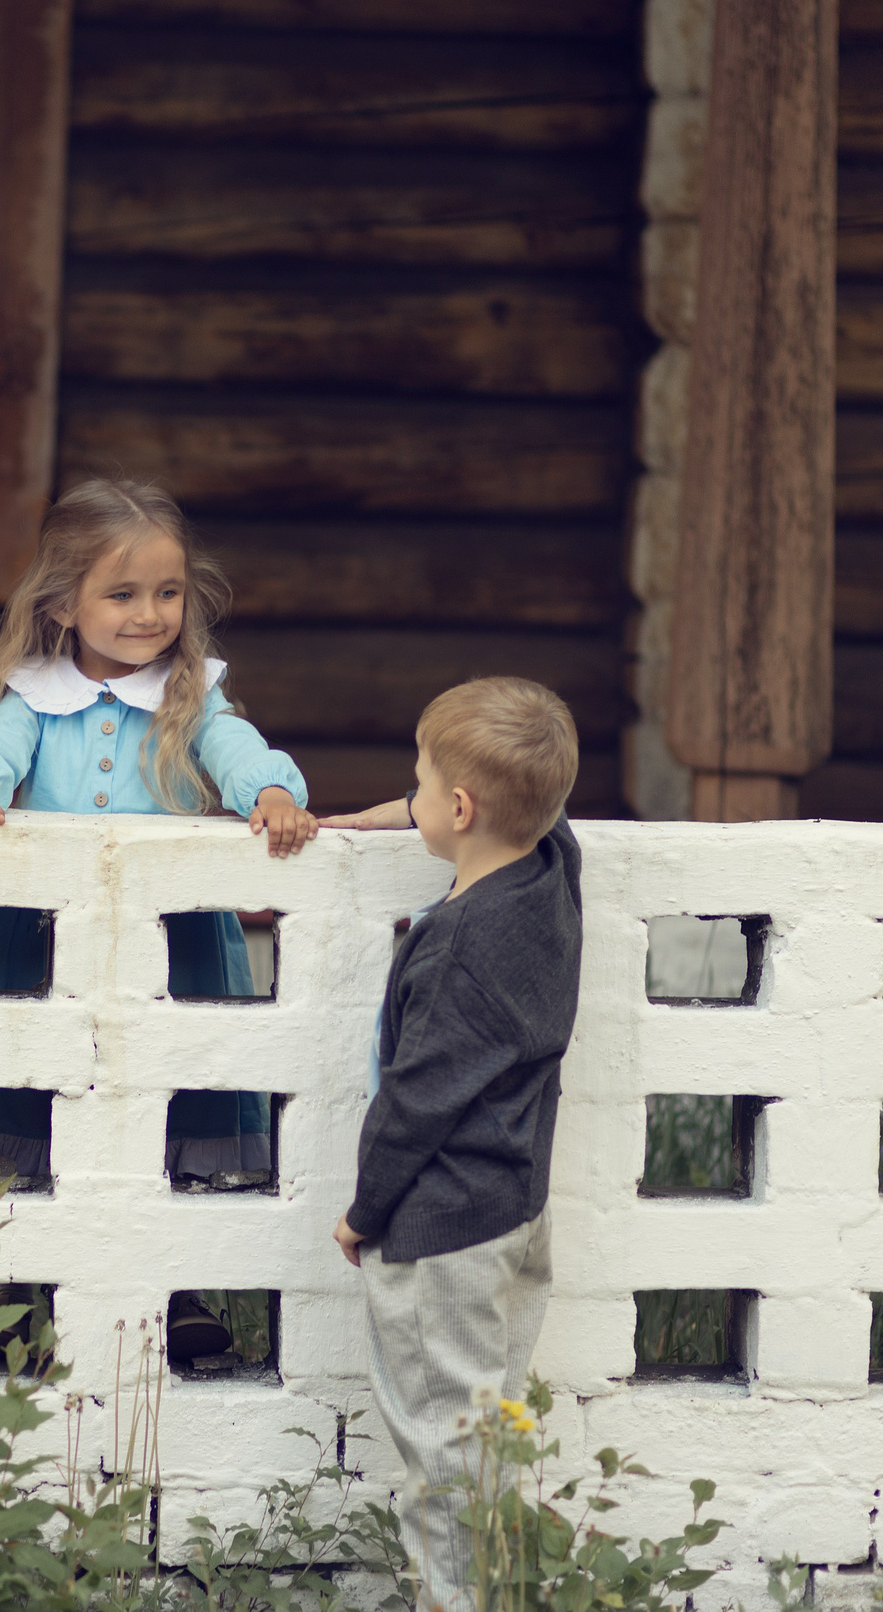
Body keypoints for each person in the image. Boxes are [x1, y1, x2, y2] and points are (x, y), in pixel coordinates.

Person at [0, 479, 317, 1197]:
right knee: (32, 1074)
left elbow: (232, 744)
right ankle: (17, 1282)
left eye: (167, 593)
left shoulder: (190, 693)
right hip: (39, 931)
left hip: (177, 935)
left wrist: (268, 792)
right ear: (61, 603)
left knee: (176, 1078)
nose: (150, 615)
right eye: (123, 595)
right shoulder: (36, 699)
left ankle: (191, 1297)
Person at [318, 677, 582, 1612]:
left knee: (446, 1444)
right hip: (516, 1210)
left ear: (460, 809)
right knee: (489, 1432)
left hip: (440, 1231)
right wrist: (393, 814)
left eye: (419, 784)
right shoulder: (551, 869)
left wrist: (362, 1212)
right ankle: (495, 1592)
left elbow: (415, 1103)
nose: (411, 795)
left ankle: (458, 1603)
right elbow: (514, 799)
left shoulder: (459, 946)